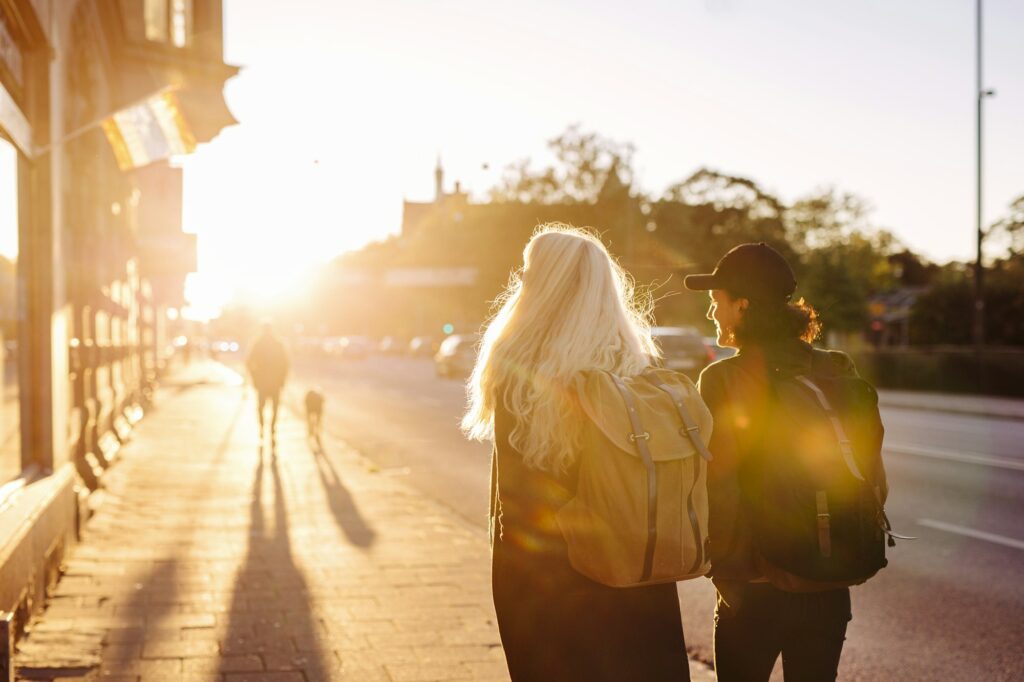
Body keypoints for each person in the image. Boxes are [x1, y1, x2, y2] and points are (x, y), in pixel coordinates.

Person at [462, 224, 692, 681]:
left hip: (550, 581)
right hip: (636, 568)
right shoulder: (634, 365)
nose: (521, 282)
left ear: (545, 286)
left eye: (528, 273)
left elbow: (517, 504)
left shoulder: (520, 371)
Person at [686, 243, 862, 681]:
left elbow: (715, 480)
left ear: (742, 305)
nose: (712, 314)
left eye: (716, 302)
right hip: (828, 586)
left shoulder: (723, 378)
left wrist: (723, 571)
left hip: (754, 585)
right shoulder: (836, 369)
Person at [246, 322, 289, 445]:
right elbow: (286, 364)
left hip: (263, 383)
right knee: (274, 408)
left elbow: (249, 363)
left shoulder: (258, 344)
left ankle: (263, 428)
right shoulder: (277, 344)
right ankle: (271, 429)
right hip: (273, 383)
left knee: (261, 407)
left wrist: (254, 378)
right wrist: (282, 380)